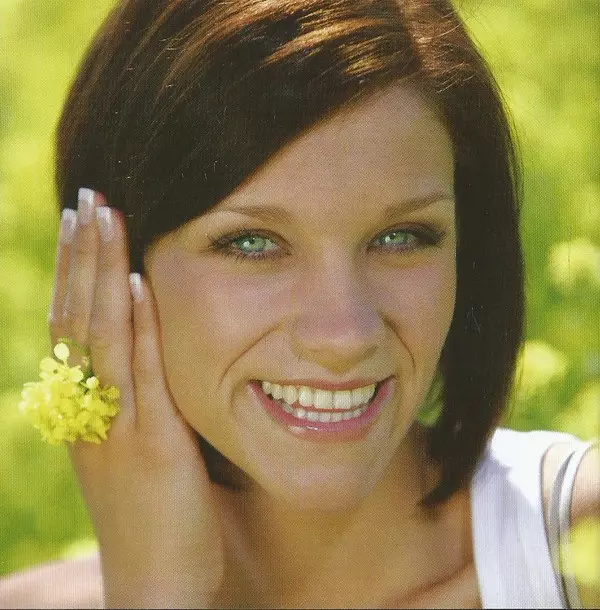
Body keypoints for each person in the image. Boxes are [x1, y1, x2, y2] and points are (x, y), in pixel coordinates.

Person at [1, 0, 598, 608]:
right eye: (252, 243)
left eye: (401, 237)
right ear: (111, 265)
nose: (346, 336)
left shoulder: (582, 552)